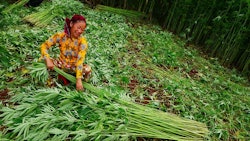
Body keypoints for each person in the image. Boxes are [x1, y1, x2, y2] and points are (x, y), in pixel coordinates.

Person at [40, 14, 91, 91]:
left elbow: (80, 61)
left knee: (87, 69)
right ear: (71, 24)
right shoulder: (61, 36)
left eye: (82, 29)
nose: (80, 31)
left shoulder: (82, 42)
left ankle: (79, 79)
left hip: (74, 67)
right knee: (42, 59)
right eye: (78, 27)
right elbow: (44, 45)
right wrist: (47, 59)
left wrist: (78, 80)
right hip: (61, 64)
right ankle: (52, 79)